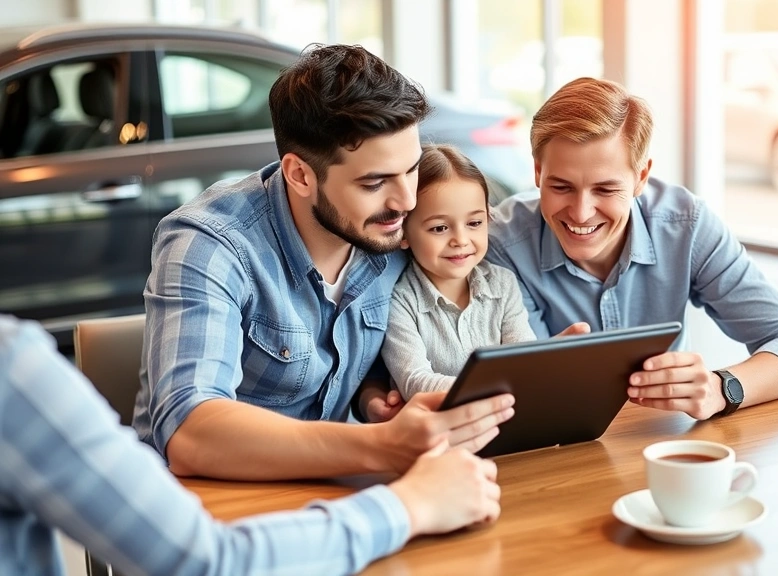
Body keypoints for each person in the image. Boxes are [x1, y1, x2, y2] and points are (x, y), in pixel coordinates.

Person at [132, 44, 517, 481]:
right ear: (299, 175)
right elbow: (191, 433)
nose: (406, 201)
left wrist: (372, 396)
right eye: (374, 183)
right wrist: (381, 446)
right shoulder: (210, 245)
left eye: (410, 170)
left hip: (330, 491)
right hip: (209, 504)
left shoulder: (391, 229)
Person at [0, 315, 501, 576]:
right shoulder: (12, 370)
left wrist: (372, 395)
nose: (403, 199)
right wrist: (409, 504)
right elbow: (204, 563)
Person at [486, 77, 778, 421]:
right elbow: (524, 395)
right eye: (561, 187)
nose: (580, 212)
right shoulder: (500, 244)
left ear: (640, 177)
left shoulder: (686, 226)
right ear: (537, 172)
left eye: (606, 190)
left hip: (662, 444)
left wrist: (719, 388)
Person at [381, 144, 536, 400]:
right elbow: (414, 381)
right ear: (403, 232)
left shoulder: (503, 284)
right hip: (438, 431)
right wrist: (495, 388)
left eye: (474, 223)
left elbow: (524, 360)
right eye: (440, 228)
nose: (461, 240)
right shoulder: (399, 300)